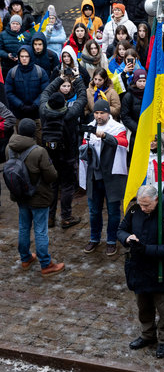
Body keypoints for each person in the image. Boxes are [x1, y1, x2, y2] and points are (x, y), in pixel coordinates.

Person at [118, 185, 164, 359]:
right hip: (138, 269)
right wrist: (127, 238)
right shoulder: (134, 210)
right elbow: (121, 230)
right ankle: (147, 335)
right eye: (141, 204)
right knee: (143, 307)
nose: (143, 209)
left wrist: (145, 249)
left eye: (147, 205)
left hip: (160, 272)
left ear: (156, 200)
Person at [6, 119, 64, 276]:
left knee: (24, 226)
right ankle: (46, 264)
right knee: (40, 230)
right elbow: (51, 175)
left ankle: (25, 258)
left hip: (20, 196)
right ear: (33, 132)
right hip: (39, 197)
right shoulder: (38, 151)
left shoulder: (9, 148)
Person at [79, 100, 128, 256]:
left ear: (108, 113)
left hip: (112, 176)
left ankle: (112, 240)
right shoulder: (90, 128)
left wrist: (105, 136)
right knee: (94, 211)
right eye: (96, 113)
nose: (99, 116)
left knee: (113, 212)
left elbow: (123, 142)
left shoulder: (118, 127)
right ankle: (94, 238)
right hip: (94, 175)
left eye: (102, 113)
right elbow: (83, 145)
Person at [39, 76, 87, 229]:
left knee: (52, 185)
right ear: (63, 104)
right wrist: (78, 80)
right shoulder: (70, 114)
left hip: (49, 157)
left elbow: (46, 92)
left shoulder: (43, 110)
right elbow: (82, 98)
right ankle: (66, 217)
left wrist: (59, 80)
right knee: (67, 186)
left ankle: (50, 218)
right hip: (67, 156)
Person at [5, 46, 50, 141]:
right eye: (22, 56)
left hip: (36, 114)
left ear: (31, 57)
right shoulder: (12, 72)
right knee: (19, 142)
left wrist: (35, 105)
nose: (24, 58)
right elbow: (9, 92)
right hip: (18, 114)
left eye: (26, 56)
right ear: (18, 57)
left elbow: (45, 91)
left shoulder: (40, 72)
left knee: (38, 141)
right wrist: (20, 105)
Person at [121, 69, 147, 153]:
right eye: (140, 81)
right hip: (135, 132)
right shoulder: (128, 96)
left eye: (144, 81)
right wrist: (137, 128)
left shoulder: (150, 94)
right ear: (135, 81)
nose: (142, 84)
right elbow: (125, 116)